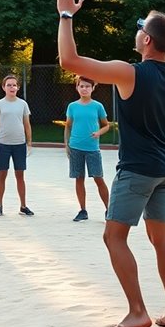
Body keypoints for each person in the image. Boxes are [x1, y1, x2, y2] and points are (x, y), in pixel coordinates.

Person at [55, 0, 165, 327]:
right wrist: (154, 138)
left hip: (138, 169)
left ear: (147, 40)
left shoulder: (130, 72)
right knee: (161, 238)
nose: (138, 30)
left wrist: (66, 15)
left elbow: (70, 61)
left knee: (114, 237)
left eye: (141, 27)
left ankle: (137, 312)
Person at [64, 75, 111, 222]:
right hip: (75, 147)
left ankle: (109, 210)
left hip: (92, 149)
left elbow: (107, 125)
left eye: (87, 86)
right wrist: (66, 145)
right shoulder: (72, 106)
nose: (84, 89)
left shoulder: (98, 106)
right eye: (81, 86)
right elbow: (68, 126)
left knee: (98, 178)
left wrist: (99, 132)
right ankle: (83, 210)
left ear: (93, 88)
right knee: (79, 178)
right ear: (77, 87)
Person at [0, 74, 33, 217]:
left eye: (14, 85)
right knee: (2, 174)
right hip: (3, 144)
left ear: (18, 87)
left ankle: (23, 206)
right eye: (9, 85)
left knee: (20, 175)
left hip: (19, 144)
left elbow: (27, 124)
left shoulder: (23, 104)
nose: (12, 87)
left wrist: (29, 142)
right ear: (3, 87)